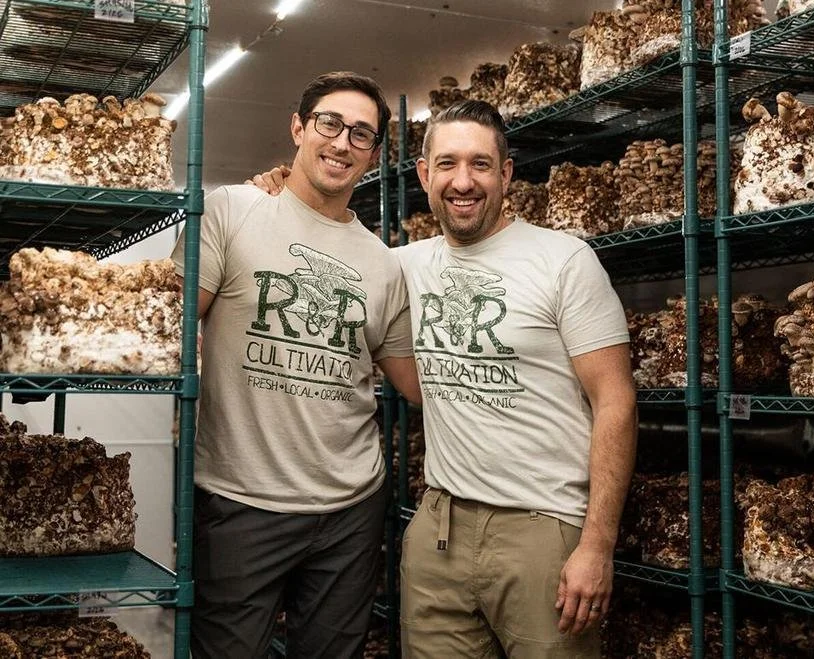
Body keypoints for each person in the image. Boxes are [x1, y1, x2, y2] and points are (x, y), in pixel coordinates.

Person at [251, 99, 637, 658]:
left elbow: (616, 402)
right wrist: (279, 193)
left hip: (543, 530)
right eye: (448, 164)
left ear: (505, 175)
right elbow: (314, 254)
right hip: (439, 528)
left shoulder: (564, 261)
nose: (464, 182)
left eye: (481, 165)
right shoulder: (400, 265)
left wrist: (597, 543)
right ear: (424, 174)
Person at [171, 70, 421, 659]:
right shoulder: (230, 211)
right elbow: (171, 333)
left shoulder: (383, 265)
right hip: (240, 502)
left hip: (351, 510)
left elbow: (414, 384)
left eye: (361, 134)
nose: (341, 143)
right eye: (329, 124)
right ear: (298, 127)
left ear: (375, 154)